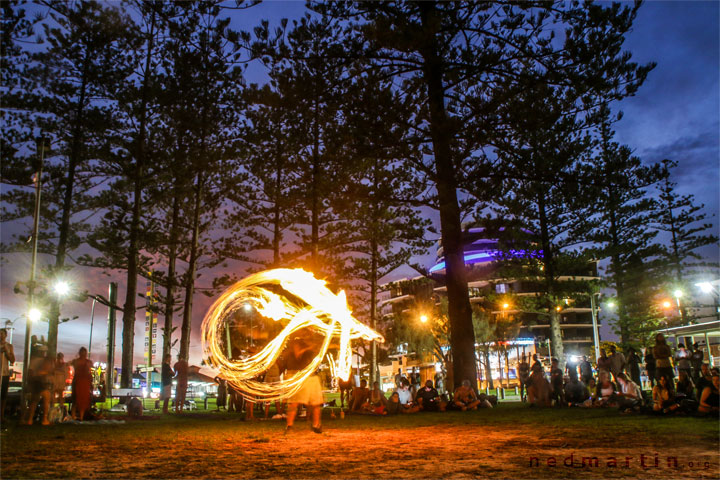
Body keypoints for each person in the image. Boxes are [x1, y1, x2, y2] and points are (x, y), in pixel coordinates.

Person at [284, 334, 324, 434]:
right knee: (294, 403)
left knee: (315, 403)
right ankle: (289, 426)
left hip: (311, 376)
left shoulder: (311, 341)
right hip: (298, 376)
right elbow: (297, 354)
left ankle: (316, 425)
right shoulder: (297, 341)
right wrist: (309, 347)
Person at [24, 355, 53, 425]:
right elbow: (42, 372)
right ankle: (44, 419)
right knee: (44, 400)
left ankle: (30, 420)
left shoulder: (35, 361)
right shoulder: (42, 362)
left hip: (37, 383)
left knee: (35, 402)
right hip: (39, 383)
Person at [71, 347, 93, 421]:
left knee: (83, 399)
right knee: (76, 399)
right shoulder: (76, 362)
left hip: (85, 382)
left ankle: (81, 416)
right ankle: (73, 416)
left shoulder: (88, 362)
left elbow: (89, 372)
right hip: (78, 381)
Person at [0, 328, 15, 423]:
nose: (0, 335)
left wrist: (6, 352)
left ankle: (1, 416)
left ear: (5, 335)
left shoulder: (9, 346)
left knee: (3, 396)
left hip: (4, 373)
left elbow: (12, 360)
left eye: (2, 334)